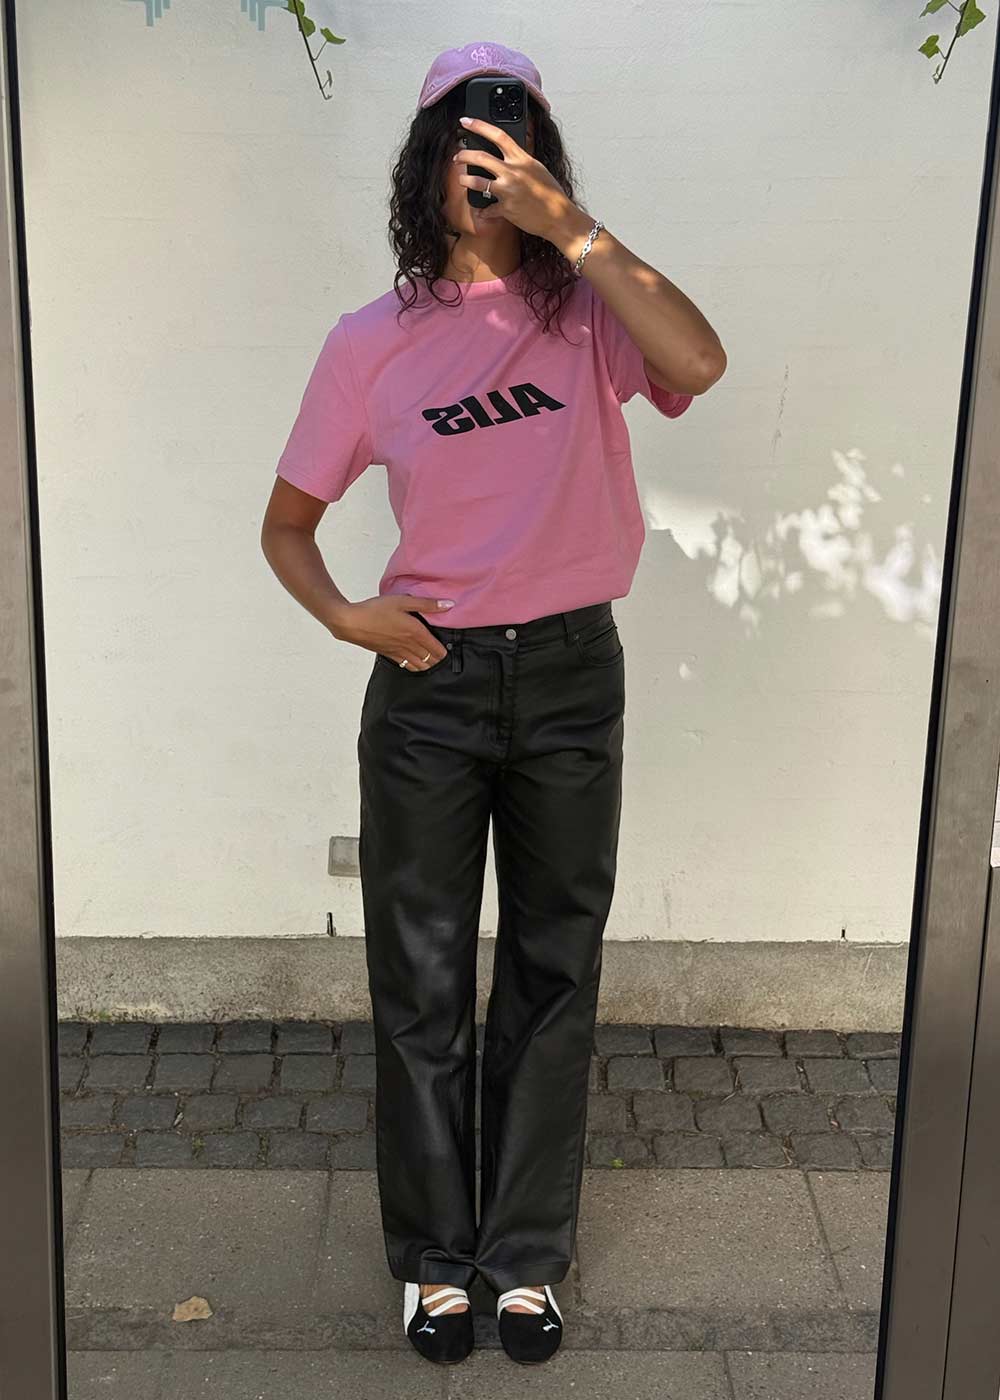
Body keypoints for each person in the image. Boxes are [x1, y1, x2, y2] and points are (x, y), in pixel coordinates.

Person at [261, 40, 726, 1367]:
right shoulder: (372, 342)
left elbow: (700, 359)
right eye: (464, 146)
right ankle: (433, 1261)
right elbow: (288, 526)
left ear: (543, 161)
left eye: (511, 143)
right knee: (419, 984)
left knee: (551, 972)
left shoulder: (590, 312)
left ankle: (521, 1257)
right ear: (425, 166)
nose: (485, 166)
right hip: (432, 688)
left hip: (575, 676)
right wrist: (346, 614)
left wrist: (573, 229)